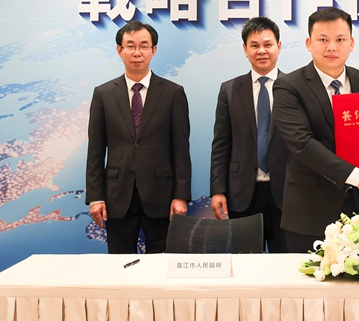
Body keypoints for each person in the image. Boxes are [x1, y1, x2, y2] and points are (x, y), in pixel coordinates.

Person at [272, 7, 359, 252]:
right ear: (309, 43)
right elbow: (302, 144)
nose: (332, 47)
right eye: (323, 40)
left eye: (340, 40)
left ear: (351, 43)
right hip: (311, 213)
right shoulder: (289, 86)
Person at [85, 21, 191, 254]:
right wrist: (95, 197)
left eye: (144, 46)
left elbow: (181, 150)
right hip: (116, 198)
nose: (137, 52)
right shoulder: (103, 94)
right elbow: (95, 151)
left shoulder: (173, 93)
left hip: (161, 197)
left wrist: (181, 196)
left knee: (161, 265)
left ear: (154, 50)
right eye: (130, 46)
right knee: (119, 266)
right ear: (119, 50)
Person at [209, 17, 289, 253]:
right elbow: (221, 144)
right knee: (244, 264)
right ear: (245, 49)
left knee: (286, 264)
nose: (261, 51)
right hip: (242, 193)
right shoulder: (230, 90)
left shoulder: (294, 87)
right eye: (254, 45)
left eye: (268, 44)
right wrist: (218, 190)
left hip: (286, 193)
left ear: (278, 47)